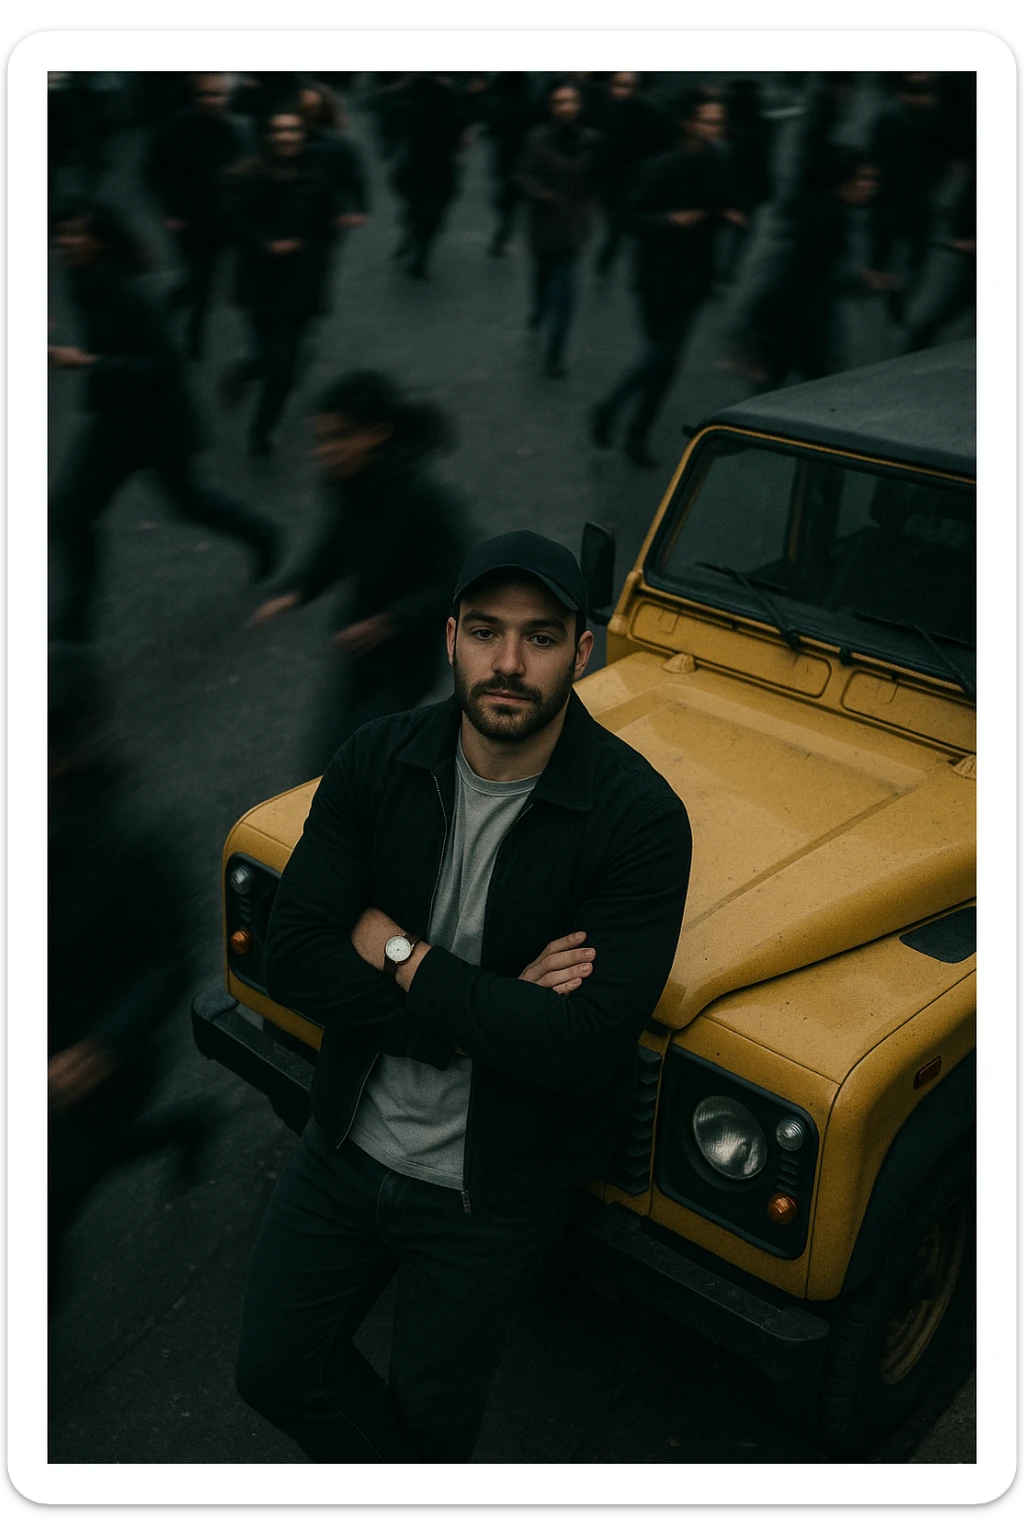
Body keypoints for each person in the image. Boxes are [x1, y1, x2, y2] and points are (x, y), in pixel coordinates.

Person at [235, 529, 692, 1462]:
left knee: (436, 1429)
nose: (509, 663)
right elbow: (296, 958)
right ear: (451, 638)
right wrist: (483, 1013)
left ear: (583, 651)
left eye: (540, 637)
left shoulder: (639, 820)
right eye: (486, 631)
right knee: (274, 1371)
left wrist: (401, 952)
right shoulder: (377, 759)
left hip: (495, 1196)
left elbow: (581, 1047)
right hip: (345, 1146)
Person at [48, 644, 212, 1312]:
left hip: (98, 1065)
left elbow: (171, 960)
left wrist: (102, 1046)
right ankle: (182, 1128)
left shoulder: (129, 842)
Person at [48, 198, 281, 644]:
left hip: (154, 423)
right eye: (61, 234)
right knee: (71, 513)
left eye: (76, 234)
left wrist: (90, 362)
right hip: (117, 420)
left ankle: (263, 535)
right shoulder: (83, 277)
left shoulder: (122, 290)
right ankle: (73, 623)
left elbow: (164, 364)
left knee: (187, 502)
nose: (66, 243)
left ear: (100, 239)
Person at [247, 371, 469, 778]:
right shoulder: (352, 486)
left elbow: (458, 576)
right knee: (335, 757)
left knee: (357, 759)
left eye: (338, 438)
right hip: (362, 649)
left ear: (376, 434)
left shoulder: (422, 499)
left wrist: (391, 621)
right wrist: (299, 589)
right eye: (321, 439)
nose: (324, 452)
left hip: (406, 659)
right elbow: (336, 545)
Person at [589, 89, 744, 466]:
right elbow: (628, 217)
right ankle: (615, 413)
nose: (716, 129)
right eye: (709, 121)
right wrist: (669, 221)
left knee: (665, 358)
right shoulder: (660, 168)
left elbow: (723, 202)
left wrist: (727, 215)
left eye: (719, 122)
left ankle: (633, 429)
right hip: (656, 277)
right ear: (689, 123)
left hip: (693, 277)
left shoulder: (719, 163)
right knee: (661, 357)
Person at [222, 108, 338, 455]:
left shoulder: (316, 176)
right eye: (280, 131)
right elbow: (232, 220)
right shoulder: (250, 176)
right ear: (268, 137)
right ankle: (247, 370)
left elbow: (327, 227)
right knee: (266, 356)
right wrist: (266, 242)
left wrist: (314, 253)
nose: (287, 137)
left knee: (283, 366)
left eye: (294, 130)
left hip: (300, 284)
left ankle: (261, 431)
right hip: (260, 283)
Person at [729, 152, 895, 390]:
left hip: (785, 311)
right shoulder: (832, 215)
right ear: (843, 180)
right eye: (864, 178)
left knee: (776, 383)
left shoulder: (811, 208)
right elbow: (818, 269)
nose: (871, 185)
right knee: (823, 383)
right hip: (805, 315)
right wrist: (861, 280)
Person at [142, 72, 252, 358]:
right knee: (200, 280)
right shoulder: (176, 128)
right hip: (191, 221)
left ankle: (183, 317)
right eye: (205, 94)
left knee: (208, 280)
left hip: (224, 221)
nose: (212, 101)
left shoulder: (238, 129)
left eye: (218, 94)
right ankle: (192, 334)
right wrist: (171, 210)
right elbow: (153, 172)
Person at [515, 80, 605, 378]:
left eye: (572, 101)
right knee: (543, 275)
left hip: (573, 227)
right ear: (551, 106)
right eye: (560, 102)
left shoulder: (592, 139)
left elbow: (601, 174)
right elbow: (523, 173)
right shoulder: (537, 138)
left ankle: (555, 354)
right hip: (544, 223)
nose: (567, 108)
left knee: (566, 293)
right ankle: (539, 308)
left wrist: (593, 199)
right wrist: (541, 193)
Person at [387, 73, 472, 280]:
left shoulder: (407, 99)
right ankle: (420, 255)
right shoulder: (450, 103)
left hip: (417, 166)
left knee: (419, 208)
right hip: (438, 167)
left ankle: (413, 238)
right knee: (433, 213)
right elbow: (461, 140)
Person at [591, 72, 674, 277]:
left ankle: (611, 259)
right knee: (616, 224)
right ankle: (609, 258)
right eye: (618, 85)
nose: (621, 91)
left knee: (622, 225)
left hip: (635, 180)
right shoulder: (606, 109)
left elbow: (662, 146)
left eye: (627, 86)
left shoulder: (649, 115)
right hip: (613, 180)